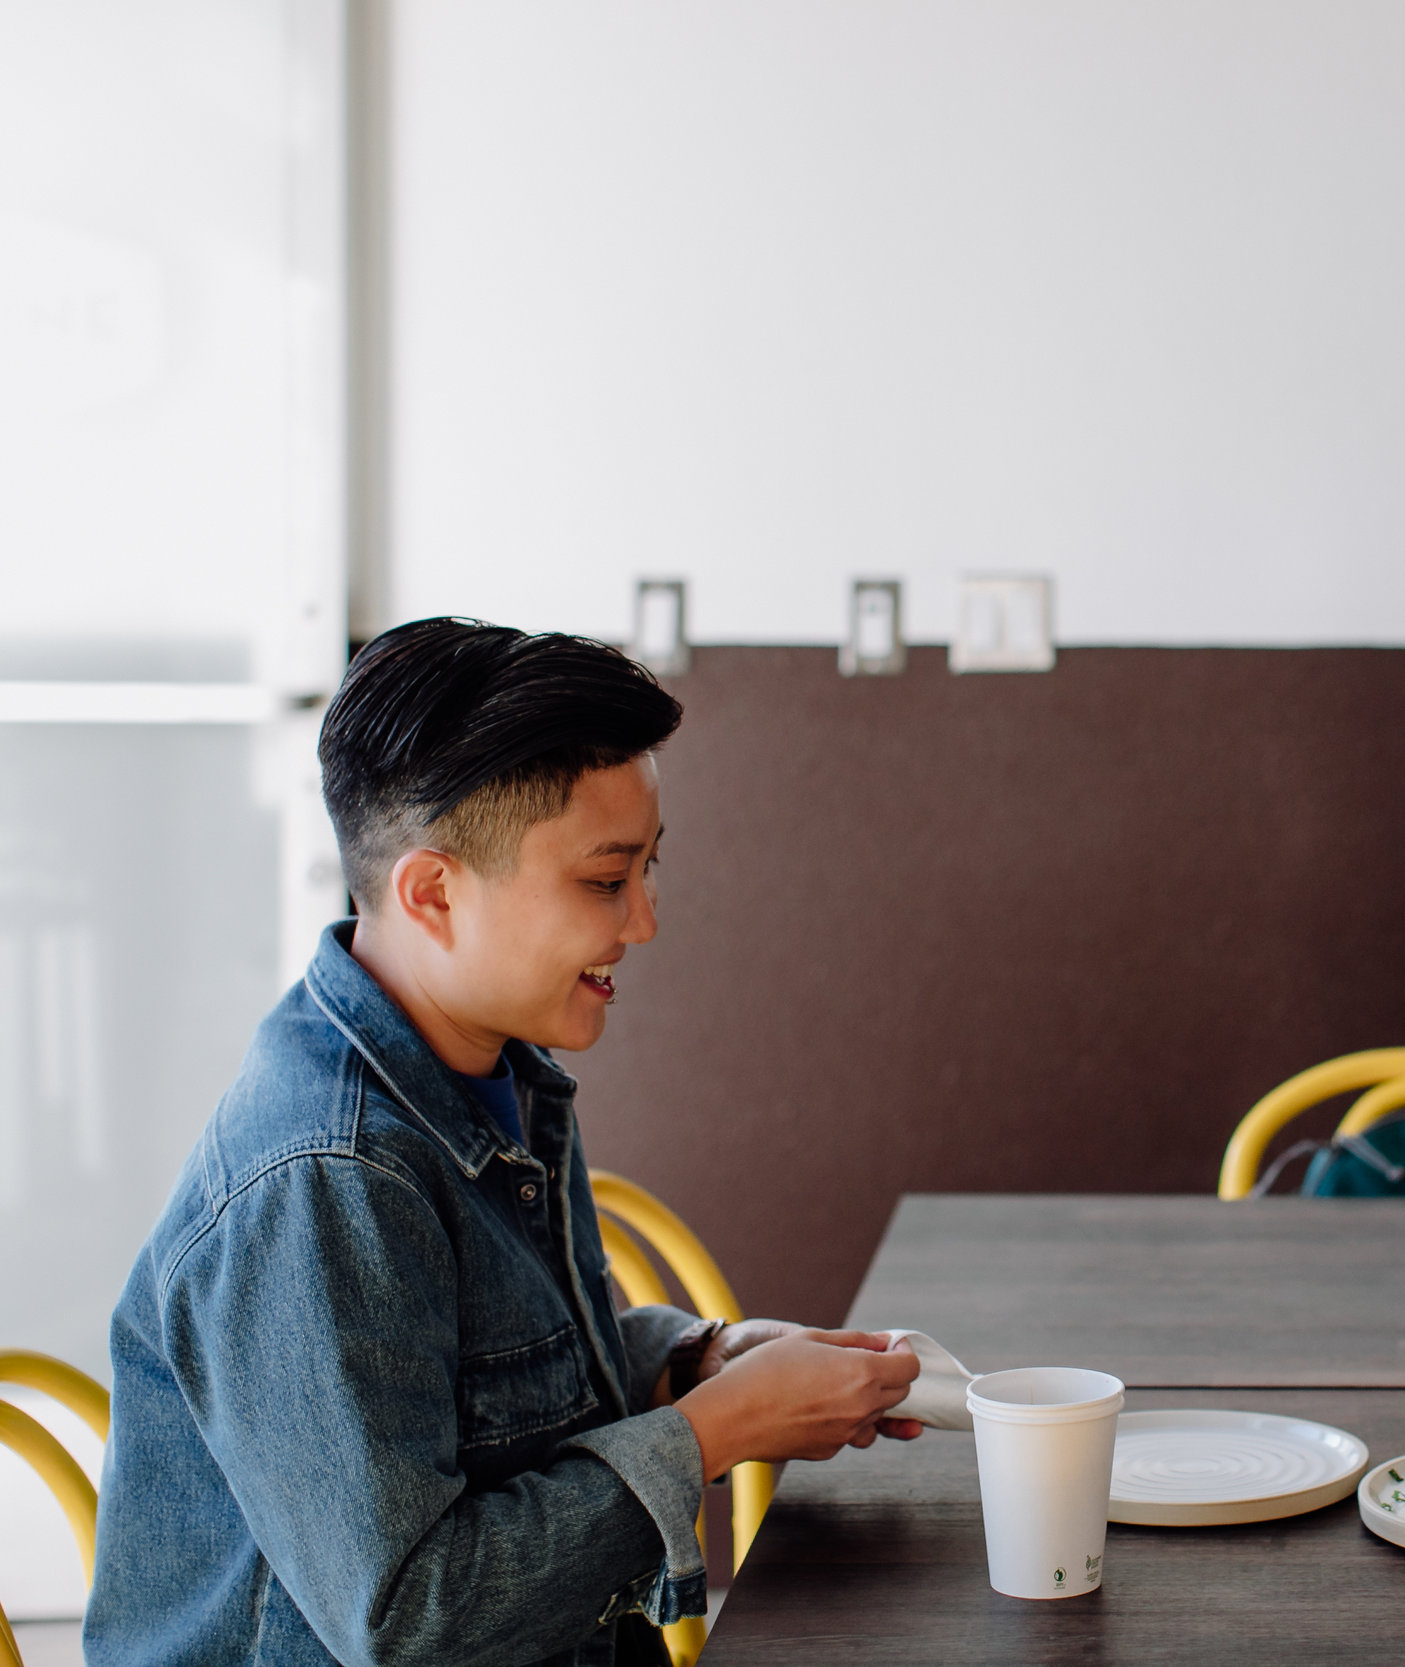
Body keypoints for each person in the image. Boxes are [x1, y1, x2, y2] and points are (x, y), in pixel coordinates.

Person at [86, 620, 923, 1666]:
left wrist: (698, 1363)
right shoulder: (325, 1180)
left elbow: (498, 1381)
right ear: (433, 892)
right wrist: (717, 1428)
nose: (647, 920)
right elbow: (407, 1621)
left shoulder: (495, 1072)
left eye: (649, 868)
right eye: (605, 879)